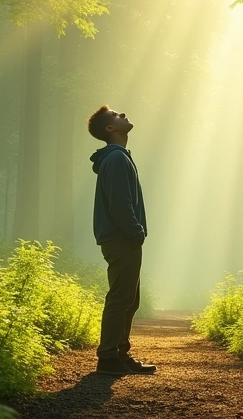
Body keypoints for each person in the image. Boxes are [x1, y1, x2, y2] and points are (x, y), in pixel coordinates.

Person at [87, 105, 156, 376]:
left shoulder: (118, 157)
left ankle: (119, 353)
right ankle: (107, 358)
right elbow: (119, 204)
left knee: (129, 298)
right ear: (110, 128)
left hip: (121, 238)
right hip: (121, 238)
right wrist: (135, 231)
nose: (124, 114)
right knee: (120, 298)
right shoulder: (116, 159)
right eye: (118, 115)